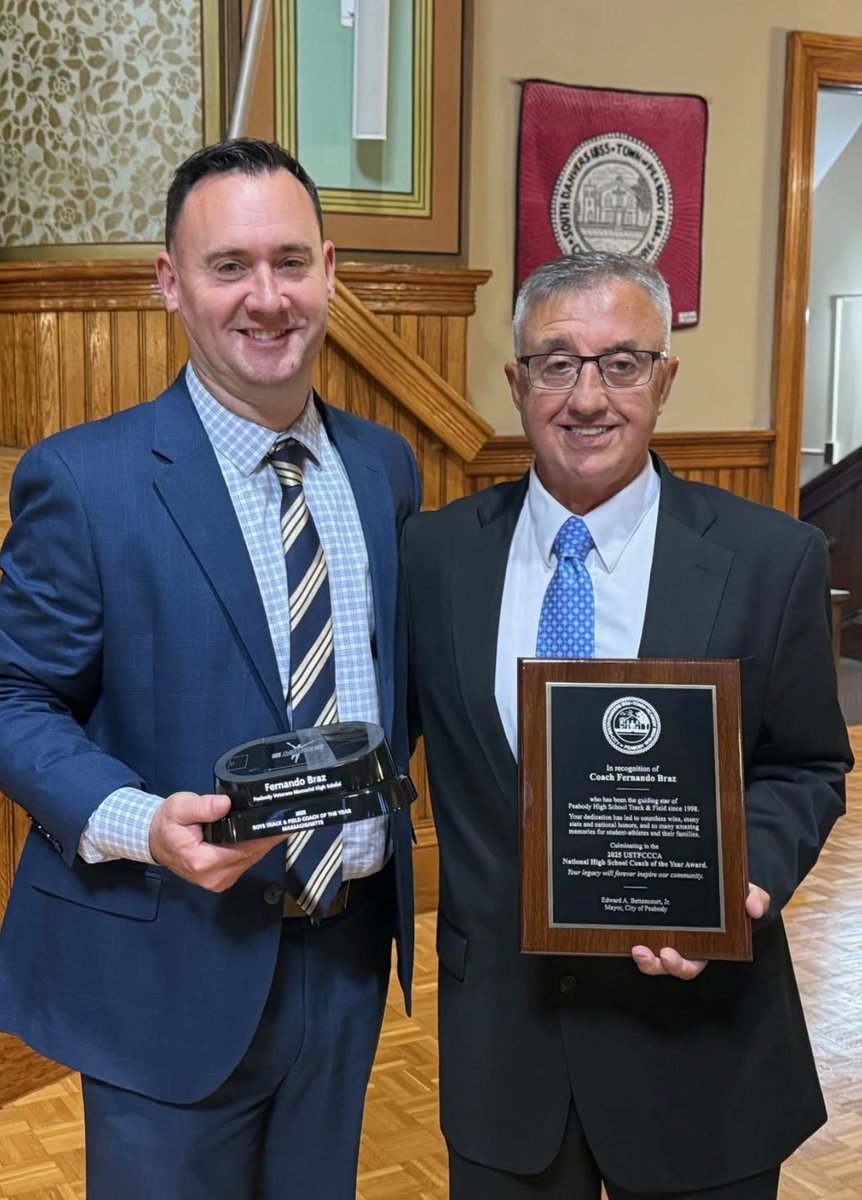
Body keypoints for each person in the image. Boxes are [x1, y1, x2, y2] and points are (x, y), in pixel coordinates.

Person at [0, 138, 421, 1200]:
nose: (266, 297)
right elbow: (10, 694)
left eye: (290, 261)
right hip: (166, 965)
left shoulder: (384, 469)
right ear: (170, 283)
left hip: (346, 957)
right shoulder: (84, 481)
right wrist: (141, 821)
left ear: (330, 270)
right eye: (229, 265)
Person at [402, 251, 852, 1200]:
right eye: (557, 363)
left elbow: (809, 766)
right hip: (505, 1063)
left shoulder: (771, 559)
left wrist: (746, 880)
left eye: (622, 362)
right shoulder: (436, 557)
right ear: (518, 384)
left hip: (703, 1050)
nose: (589, 397)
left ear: (665, 379)